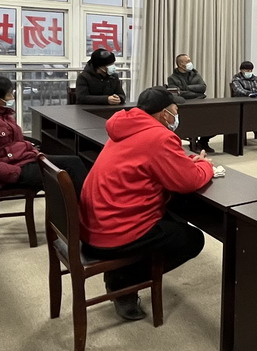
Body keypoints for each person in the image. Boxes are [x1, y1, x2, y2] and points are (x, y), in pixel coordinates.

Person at [79, 87, 214, 321]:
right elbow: (189, 181)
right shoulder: (159, 137)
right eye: (175, 110)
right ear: (163, 114)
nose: (177, 115)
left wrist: (186, 162)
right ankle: (123, 282)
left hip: (95, 224)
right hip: (115, 233)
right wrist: (205, 165)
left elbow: (153, 163)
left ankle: (122, 275)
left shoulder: (125, 128)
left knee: (173, 218)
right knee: (192, 239)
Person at [0, 76, 87, 191]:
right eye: (9, 95)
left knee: (73, 162)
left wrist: (34, 153)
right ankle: (77, 207)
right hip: (14, 170)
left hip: (24, 160)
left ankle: (81, 205)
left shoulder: (2, 114)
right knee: (65, 177)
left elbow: (16, 142)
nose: (12, 98)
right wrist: (16, 173)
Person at [168, 53, 214, 154]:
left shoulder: (195, 74)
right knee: (193, 121)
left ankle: (203, 142)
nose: (190, 63)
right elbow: (177, 93)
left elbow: (203, 88)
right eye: (188, 61)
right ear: (181, 64)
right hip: (185, 105)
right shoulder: (172, 78)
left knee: (213, 119)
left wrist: (186, 88)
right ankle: (193, 143)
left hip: (200, 102)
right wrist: (196, 93)